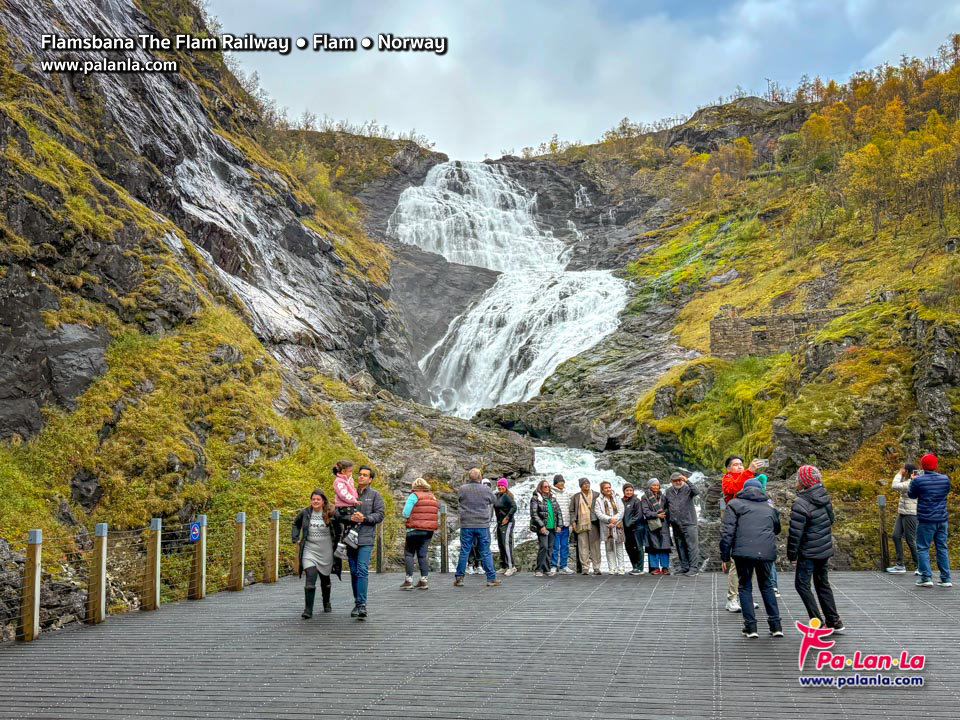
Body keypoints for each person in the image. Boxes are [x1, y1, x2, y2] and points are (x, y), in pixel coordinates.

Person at [720, 477, 782, 638]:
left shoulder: (734, 504)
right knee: (767, 585)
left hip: (743, 552)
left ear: (744, 489)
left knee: (745, 587)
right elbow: (777, 528)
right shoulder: (769, 505)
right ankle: (776, 626)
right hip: (766, 551)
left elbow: (727, 532)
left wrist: (725, 556)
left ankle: (751, 627)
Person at [786, 465, 844, 633]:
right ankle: (834, 620)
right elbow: (831, 520)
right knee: (822, 583)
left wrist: (792, 555)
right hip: (823, 549)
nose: (796, 482)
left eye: (798, 479)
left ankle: (817, 622)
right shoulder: (824, 496)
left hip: (808, 551)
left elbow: (795, 533)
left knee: (802, 585)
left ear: (804, 482)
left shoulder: (800, 502)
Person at [721, 455, 763, 611]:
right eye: (735, 464)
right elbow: (734, 488)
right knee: (736, 563)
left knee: (750, 561)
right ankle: (732, 598)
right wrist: (748, 472)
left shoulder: (749, 477)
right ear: (728, 468)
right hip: (736, 523)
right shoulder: (727, 479)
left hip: (750, 521)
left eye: (741, 464)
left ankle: (745, 596)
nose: (739, 466)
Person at [292, 489, 340, 617]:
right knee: (310, 578)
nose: (315, 501)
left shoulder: (330, 513)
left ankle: (326, 602)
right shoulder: (305, 513)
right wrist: (296, 538)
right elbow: (296, 524)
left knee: (325, 579)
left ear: (323, 501)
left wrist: (338, 543)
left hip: (326, 551)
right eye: (313, 499)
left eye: (318, 499)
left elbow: (339, 528)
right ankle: (308, 610)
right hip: (309, 550)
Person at [346, 465, 385, 619]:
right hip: (350, 537)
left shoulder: (375, 495)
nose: (361, 477)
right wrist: (350, 517)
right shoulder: (348, 493)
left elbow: (380, 514)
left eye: (365, 475)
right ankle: (357, 603)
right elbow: (338, 512)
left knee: (362, 569)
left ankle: (362, 604)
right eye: (360, 474)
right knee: (354, 571)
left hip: (366, 538)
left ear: (370, 479)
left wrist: (365, 518)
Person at [908, 454, 952, 588]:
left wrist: (913, 480)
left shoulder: (919, 481)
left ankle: (926, 577)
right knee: (942, 548)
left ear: (922, 466)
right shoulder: (945, 479)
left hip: (926, 519)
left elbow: (911, 495)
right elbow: (947, 491)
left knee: (923, 548)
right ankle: (946, 578)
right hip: (942, 518)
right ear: (935, 465)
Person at [454, 468, 502, 587]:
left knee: (464, 551)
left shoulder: (462, 489)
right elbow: (494, 500)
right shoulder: (486, 489)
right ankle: (491, 578)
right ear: (480, 478)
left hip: (466, 524)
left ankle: (459, 578)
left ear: (469, 478)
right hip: (482, 524)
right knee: (485, 551)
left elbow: (458, 501)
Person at [400, 477, 439, 590]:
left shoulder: (414, 496)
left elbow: (405, 513)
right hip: (428, 531)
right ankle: (424, 580)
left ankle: (409, 580)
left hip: (414, 529)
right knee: (422, 554)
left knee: (409, 553)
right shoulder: (432, 497)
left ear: (414, 486)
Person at [665, 472, 700, 576]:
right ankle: (685, 567)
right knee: (680, 546)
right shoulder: (668, 491)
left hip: (689, 522)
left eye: (679, 480)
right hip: (675, 524)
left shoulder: (688, 488)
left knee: (692, 546)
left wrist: (687, 481)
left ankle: (694, 568)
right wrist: (669, 520)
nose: (678, 482)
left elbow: (697, 491)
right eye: (675, 480)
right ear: (671, 481)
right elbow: (667, 506)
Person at [887, 462, 919, 574]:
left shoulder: (912, 483)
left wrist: (899, 474)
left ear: (908, 471)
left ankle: (919, 566)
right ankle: (900, 565)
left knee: (910, 540)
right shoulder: (908, 481)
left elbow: (895, 486)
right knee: (896, 536)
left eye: (903, 469)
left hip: (911, 514)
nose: (901, 470)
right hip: (902, 513)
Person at [754, 473, 781, 596]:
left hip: (752, 537)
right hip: (768, 536)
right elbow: (776, 521)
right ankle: (773, 586)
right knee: (769, 562)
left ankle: (746, 590)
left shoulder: (745, 502)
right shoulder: (769, 502)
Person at [570, 478, 602, 575]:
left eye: (588, 483)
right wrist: (573, 522)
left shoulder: (597, 495)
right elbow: (572, 511)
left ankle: (597, 568)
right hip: (581, 524)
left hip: (594, 523)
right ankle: (585, 568)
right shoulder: (576, 497)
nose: (586, 485)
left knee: (595, 547)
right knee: (583, 546)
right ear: (580, 486)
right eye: (584, 484)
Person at [531, 479, 562, 576]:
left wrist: (559, 525)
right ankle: (538, 569)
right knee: (543, 547)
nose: (547, 488)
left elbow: (559, 512)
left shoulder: (552, 498)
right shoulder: (536, 498)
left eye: (548, 486)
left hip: (552, 527)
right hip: (543, 528)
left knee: (550, 548)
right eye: (545, 486)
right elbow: (534, 514)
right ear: (540, 487)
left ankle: (546, 569)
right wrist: (541, 526)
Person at [640, 478, 672, 574]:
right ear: (649, 486)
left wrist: (665, 514)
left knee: (665, 547)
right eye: (653, 485)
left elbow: (668, 508)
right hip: (652, 524)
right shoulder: (645, 497)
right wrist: (657, 515)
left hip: (664, 524)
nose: (656, 487)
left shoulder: (663, 496)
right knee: (653, 547)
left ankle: (665, 568)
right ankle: (655, 568)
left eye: (657, 485)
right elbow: (645, 511)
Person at [595, 481, 625, 574]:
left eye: (609, 487)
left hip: (618, 525)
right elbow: (598, 513)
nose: (608, 489)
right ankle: (612, 568)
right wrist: (609, 519)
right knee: (609, 548)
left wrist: (614, 520)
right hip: (606, 526)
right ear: (602, 490)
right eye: (606, 488)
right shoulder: (598, 500)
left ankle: (621, 568)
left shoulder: (617, 497)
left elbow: (621, 510)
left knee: (619, 547)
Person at [332, 460, 358, 560]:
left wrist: (355, 497)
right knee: (358, 518)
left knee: (348, 527)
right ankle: (352, 536)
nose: (351, 473)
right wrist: (354, 500)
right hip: (344, 506)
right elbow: (343, 494)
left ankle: (341, 548)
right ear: (343, 471)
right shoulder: (338, 482)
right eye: (350, 471)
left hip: (349, 505)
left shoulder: (349, 480)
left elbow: (352, 490)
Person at [468, 479, 495, 573]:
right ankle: (470, 564)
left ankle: (479, 564)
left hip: (485, 524)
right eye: (484, 485)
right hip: (474, 523)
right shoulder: (475, 496)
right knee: (473, 544)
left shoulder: (491, 497)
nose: (486, 488)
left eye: (488, 486)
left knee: (481, 544)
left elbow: (491, 511)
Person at [551, 475, 574, 574]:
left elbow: (570, 508)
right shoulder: (551, 493)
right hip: (556, 526)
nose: (562, 483)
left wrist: (571, 522)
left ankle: (564, 566)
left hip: (566, 524)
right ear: (555, 483)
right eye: (560, 482)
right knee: (555, 546)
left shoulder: (566, 493)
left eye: (563, 481)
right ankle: (553, 565)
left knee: (565, 546)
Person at [494, 478, 518, 576]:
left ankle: (511, 567)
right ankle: (504, 566)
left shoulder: (507, 496)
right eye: (499, 485)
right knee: (501, 544)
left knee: (506, 544)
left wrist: (507, 517)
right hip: (500, 523)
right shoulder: (498, 495)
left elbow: (514, 507)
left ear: (506, 486)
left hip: (507, 523)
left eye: (502, 485)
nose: (500, 487)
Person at [622, 483, 646, 575]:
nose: (629, 492)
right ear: (624, 491)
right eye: (627, 490)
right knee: (629, 548)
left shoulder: (636, 501)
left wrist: (629, 523)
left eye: (630, 490)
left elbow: (639, 515)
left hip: (637, 528)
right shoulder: (621, 501)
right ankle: (634, 567)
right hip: (626, 529)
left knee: (638, 547)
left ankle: (640, 568)